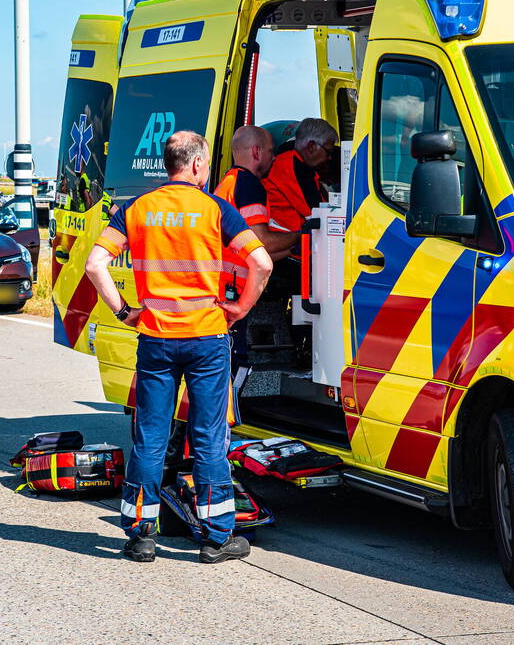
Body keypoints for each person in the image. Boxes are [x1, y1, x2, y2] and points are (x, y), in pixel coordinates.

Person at [85, 131, 273, 564]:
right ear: (195, 165)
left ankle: (140, 536)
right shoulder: (216, 210)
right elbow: (261, 262)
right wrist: (240, 308)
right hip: (207, 337)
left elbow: (97, 264)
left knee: (151, 437)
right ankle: (216, 538)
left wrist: (123, 310)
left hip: (156, 337)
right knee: (208, 438)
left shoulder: (136, 210)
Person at [215, 126, 301, 368]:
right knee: (235, 363)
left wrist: (293, 248)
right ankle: (229, 408)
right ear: (256, 151)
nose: (274, 158)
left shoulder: (230, 181)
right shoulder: (249, 184)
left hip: (222, 287)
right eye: (271, 151)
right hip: (233, 290)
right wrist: (302, 235)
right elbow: (260, 242)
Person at [262, 118, 339, 234]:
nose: (329, 158)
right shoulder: (294, 167)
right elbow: (317, 213)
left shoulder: (298, 164)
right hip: (288, 242)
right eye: (327, 152)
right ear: (311, 146)